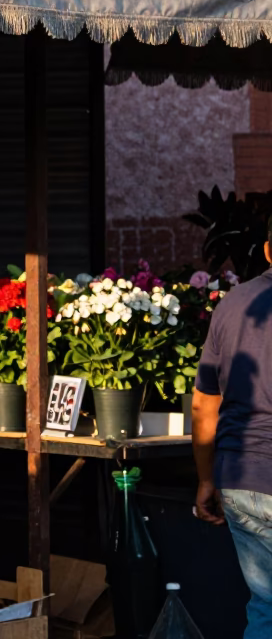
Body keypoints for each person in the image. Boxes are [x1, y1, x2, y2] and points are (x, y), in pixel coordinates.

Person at [193, 222, 272, 638]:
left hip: (240, 480)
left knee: (265, 605)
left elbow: (204, 401)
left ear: (268, 251)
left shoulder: (231, 303)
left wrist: (206, 479)